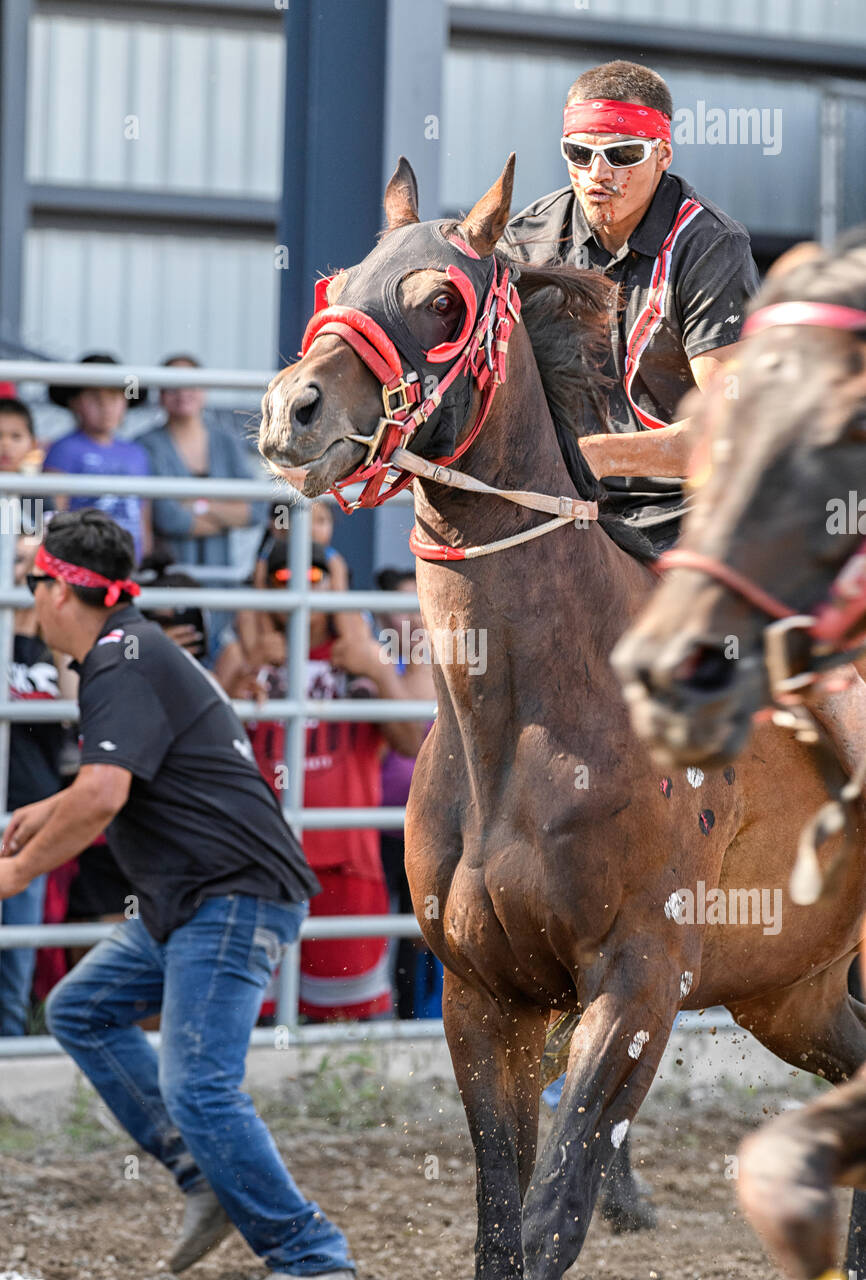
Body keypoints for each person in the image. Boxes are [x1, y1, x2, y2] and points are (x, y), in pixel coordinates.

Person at [1, 509, 355, 1280]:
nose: (27, 603)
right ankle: (204, 1171)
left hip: (228, 897)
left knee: (199, 1084)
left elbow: (102, 797)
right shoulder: (128, 649)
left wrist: (17, 873)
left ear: (61, 591)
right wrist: (46, 815)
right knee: (81, 1009)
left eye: (32, 584)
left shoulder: (119, 660)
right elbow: (102, 790)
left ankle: (313, 1259)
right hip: (202, 897)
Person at [499, 57, 866, 779]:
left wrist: (585, 459)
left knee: (832, 684)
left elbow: (721, 439)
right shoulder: (527, 237)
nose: (597, 172)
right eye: (579, 153)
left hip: (687, 511)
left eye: (622, 155)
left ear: (662, 152)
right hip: (564, 509)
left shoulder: (709, 244)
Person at [216, 540, 426, 1021]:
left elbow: (409, 742)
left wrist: (374, 669)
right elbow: (199, 746)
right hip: (258, 863)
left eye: (314, 577)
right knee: (251, 1016)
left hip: (346, 863)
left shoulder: (358, 653)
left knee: (352, 1022)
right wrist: (241, 677)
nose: (299, 590)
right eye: (283, 579)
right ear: (263, 584)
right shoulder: (241, 655)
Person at [137, 354, 268, 654]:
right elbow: (169, 517)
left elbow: (256, 510)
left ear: (204, 391)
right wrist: (224, 507)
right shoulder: (146, 445)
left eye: (191, 384)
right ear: (160, 394)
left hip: (221, 584)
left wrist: (196, 505)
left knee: (223, 660)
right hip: (167, 587)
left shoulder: (226, 442)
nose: (183, 392)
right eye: (173, 385)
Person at [0, 533, 63, 1035]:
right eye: (14, 560)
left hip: (30, 815)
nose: (22, 572)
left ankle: (11, 1046)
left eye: (32, 563)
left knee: (18, 951)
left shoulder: (54, 640)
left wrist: (45, 622)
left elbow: (80, 703)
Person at [374, 568, 440, 1019]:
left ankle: (418, 1019)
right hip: (376, 824)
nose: (412, 618)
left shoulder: (450, 659)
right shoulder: (370, 662)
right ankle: (388, 1017)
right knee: (381, 925)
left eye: (417, 602)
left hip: (430, 823)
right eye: (401, 606)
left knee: (425, 931)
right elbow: (407, 737)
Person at [43, 353, 151, 563]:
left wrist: (145, 553)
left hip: (129, 559)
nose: (105, 406)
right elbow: (54, 512)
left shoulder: (137, 453)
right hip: (84, 559)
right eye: (94, 397)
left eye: (114, 397)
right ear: (74, 402)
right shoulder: (63, 450)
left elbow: (142, 513)